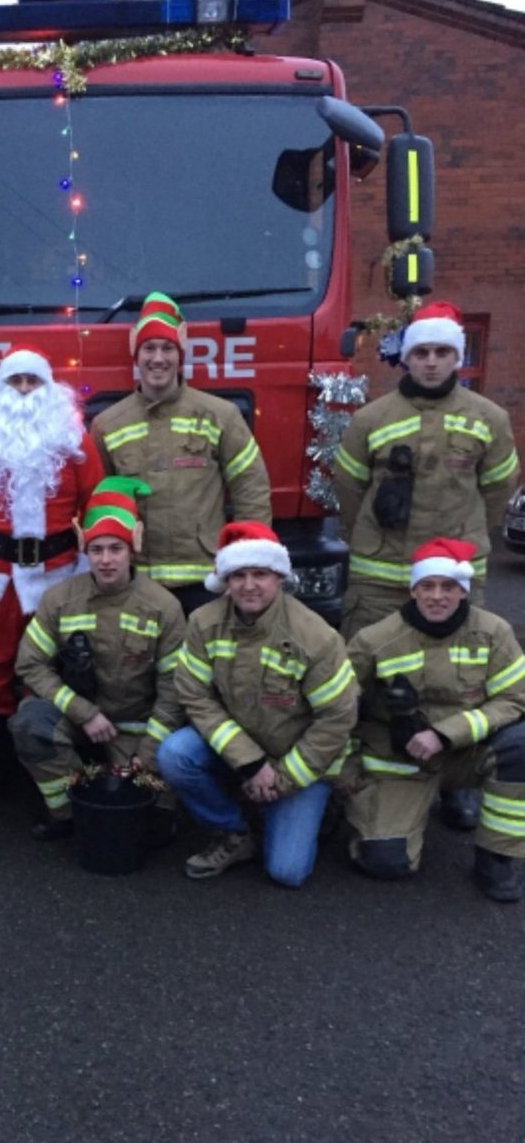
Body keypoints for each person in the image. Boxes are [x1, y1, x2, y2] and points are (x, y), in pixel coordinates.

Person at [332, 300, 520, 830]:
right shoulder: (372, 418)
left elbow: (496, 489)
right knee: (366, 675)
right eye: (422, 352)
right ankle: (363, 776)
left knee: (459, 677)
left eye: (442, 352)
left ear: (456, 356)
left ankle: (454, 781)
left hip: (454, 571)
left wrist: (466, 542)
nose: (432, 362)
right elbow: (348, 488)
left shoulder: (489, 419)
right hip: (379, 574)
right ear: (406, 357)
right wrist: (361, 540)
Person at [0, 345, 104, 821]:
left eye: (34, 382)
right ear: (0, 389)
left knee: (47, 671)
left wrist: (89, 572)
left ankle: (44, 775)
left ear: (51, 389)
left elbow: (95, 504)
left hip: (56, 577)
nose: (26, 391)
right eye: (17, 382)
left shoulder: (75, 442)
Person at [157, 521, 358, 887]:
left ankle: (313, 804)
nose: (249, 586)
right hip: (239, 751)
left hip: (297, 759)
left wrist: (281, 779)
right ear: (225, 580)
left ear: (279, 576)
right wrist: (249, 763)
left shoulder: (316, 637)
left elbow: (336, 719)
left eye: (260, 574)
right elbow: (195, 696)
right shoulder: (203, 622)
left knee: (287, 872)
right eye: (238, 575)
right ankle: (233, 832)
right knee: (175, 754)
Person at [341, 537, 525, 901]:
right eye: (427, 586)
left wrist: (445, 734)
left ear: (463, 591)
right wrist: (347, 775)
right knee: (386, 863)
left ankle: (496, 856)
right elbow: (336, 709)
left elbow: (514, 699)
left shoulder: (493, 633)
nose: (437, 596)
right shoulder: (373, 640)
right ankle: (395, 815)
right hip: (399, 763)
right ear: (414, 590)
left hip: (464, 754)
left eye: (448, 587)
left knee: (521, 746)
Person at [10, 478, 186, 839]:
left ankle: (122, 790)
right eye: (97, 550)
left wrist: (148, 753)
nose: (106, 560)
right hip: (82, 720)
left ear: (132, 548)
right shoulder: (59, 599)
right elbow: (29, 664)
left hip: (139, 728)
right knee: (29, 723)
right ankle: (69, 813)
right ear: (85, 552)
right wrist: (82, 712)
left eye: (115, 549)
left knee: (152, 824)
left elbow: (175, 688)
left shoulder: (163, 606)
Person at [91, 291, 272, 615]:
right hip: (138, 584)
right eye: (149, 348)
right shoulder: (108, 425)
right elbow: (97, 504)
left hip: (206, 582)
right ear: (136, 355)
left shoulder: (220, 415)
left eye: (167, 348)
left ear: (180, 354)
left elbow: (251, 488)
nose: (157, 358)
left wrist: (246, 563)